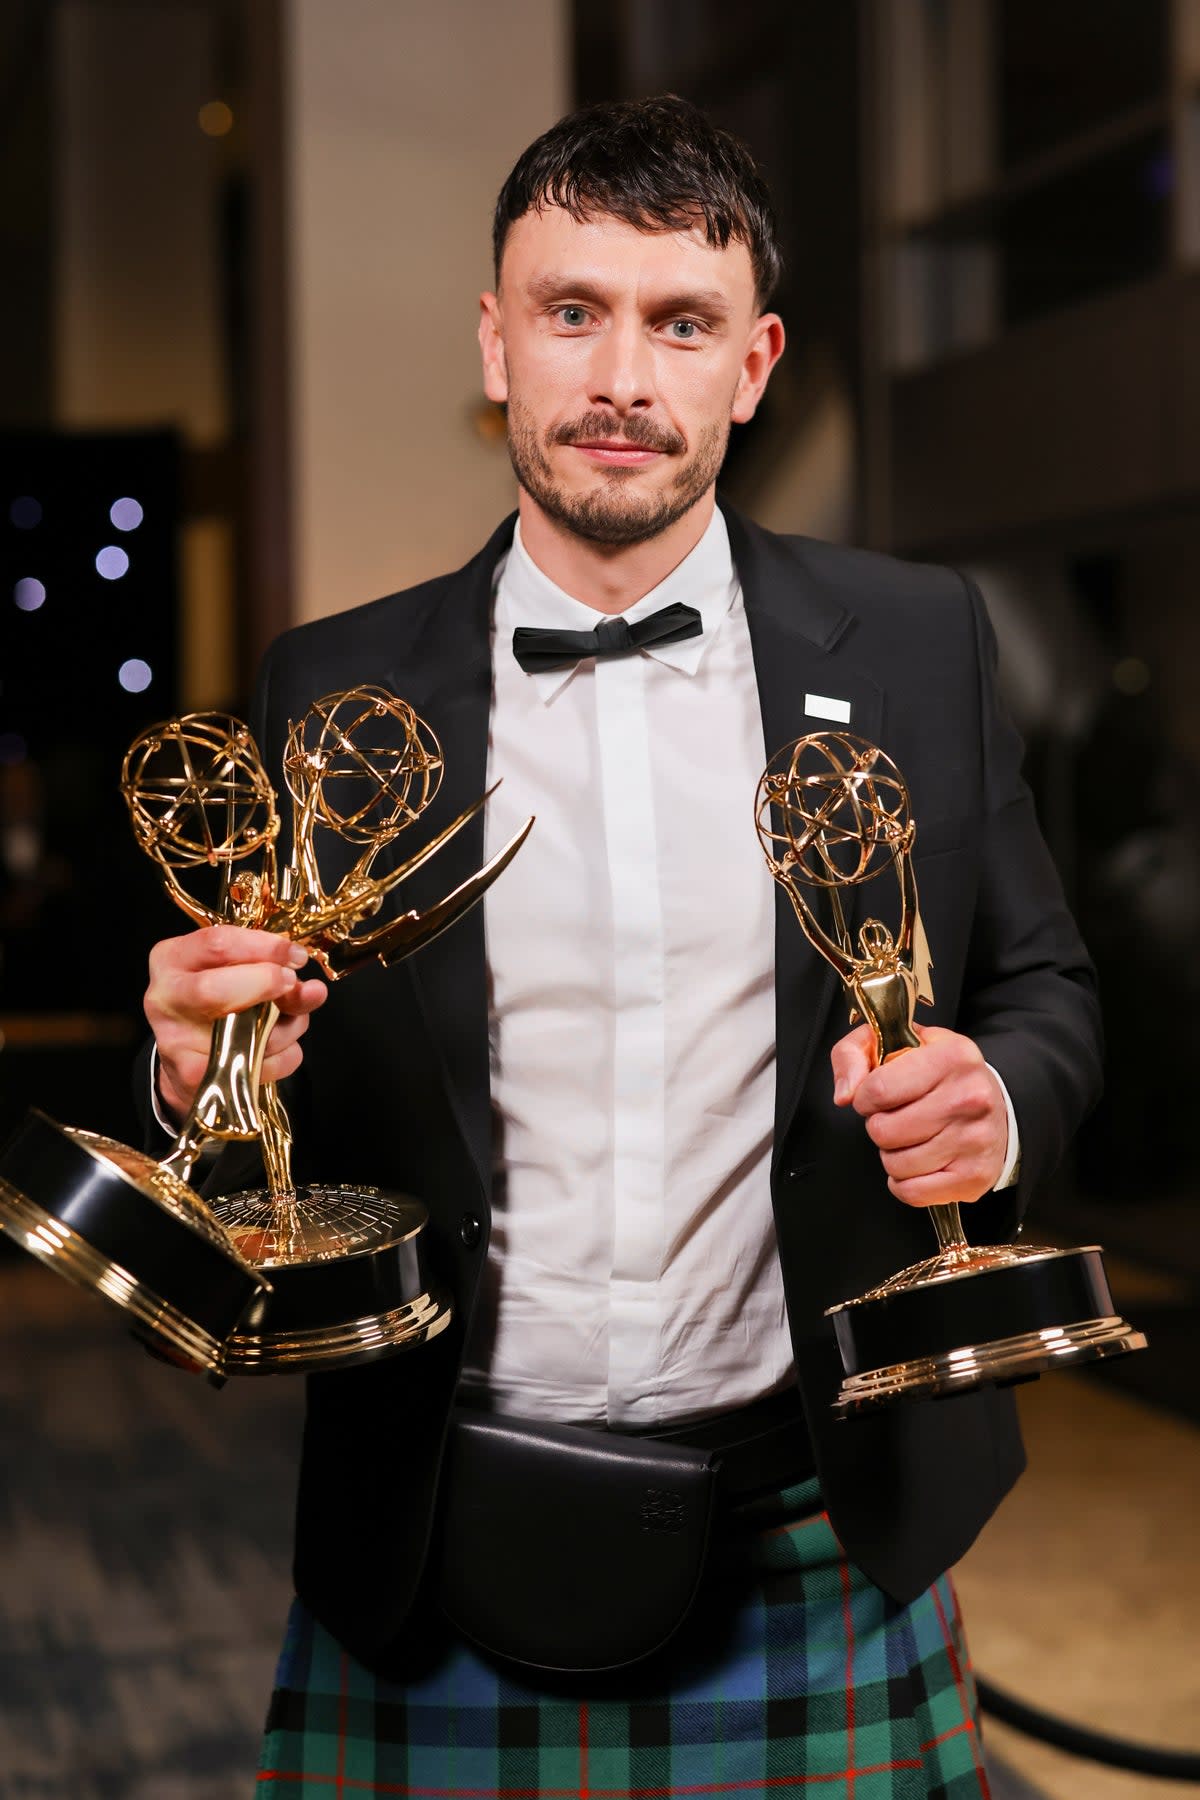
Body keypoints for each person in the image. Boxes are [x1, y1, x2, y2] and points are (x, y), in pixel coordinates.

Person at [141, 96, 1101, 1797]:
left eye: (682, 325)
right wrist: (204, 1074)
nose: (621, 379)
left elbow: (1046, 992)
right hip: (436, 1521)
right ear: (497, 343)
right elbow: (288, 1106)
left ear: (756, 363)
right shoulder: (328, 685)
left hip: (816, 1521)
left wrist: (997, 1105)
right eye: (573, 312)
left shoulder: (917, 639)